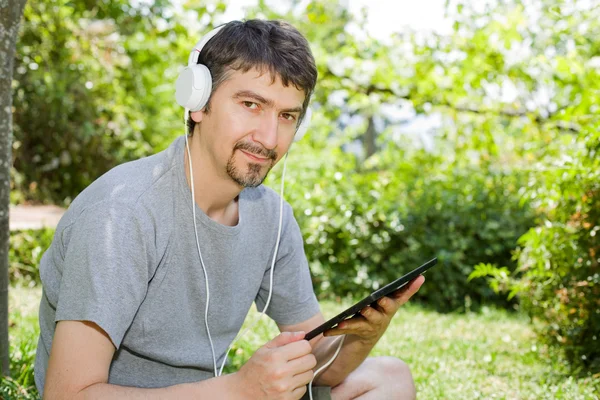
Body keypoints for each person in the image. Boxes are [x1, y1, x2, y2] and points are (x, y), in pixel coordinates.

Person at [34, 19, 424, 400]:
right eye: (251, 104)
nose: (269, 138)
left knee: (390, 377)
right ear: (198, 102)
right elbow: (67, 393)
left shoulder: (272, 217)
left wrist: (362, 336)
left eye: (287, 116)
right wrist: (238, 390)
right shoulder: (122, 214)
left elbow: (320, 365)